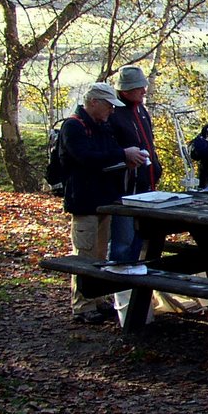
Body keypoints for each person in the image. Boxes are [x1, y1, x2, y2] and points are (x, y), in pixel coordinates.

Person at [60, 83, 146, 323]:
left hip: (104, 201)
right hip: (83, 202)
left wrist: (125, 161)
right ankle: (83, 305)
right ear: (94, 103)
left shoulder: (102, 126)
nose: (111, 110)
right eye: (108, 105)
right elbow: (87, 158)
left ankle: (97, 299)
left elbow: (107, 154)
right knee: (84, 255)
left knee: (100, 255)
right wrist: (122, 155)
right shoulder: (73, 127)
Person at [108, 65, 160, 263]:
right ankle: (120, 287)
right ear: (125, 90)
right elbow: (110, 150)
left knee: (141, 240)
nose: (144, 91)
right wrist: (126, 157)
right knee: (123, 240)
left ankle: (136, 286)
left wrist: (155, 165)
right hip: (125, 188)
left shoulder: (141, 110)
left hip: (146, 186)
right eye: (139, 88)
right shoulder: (114, 114)